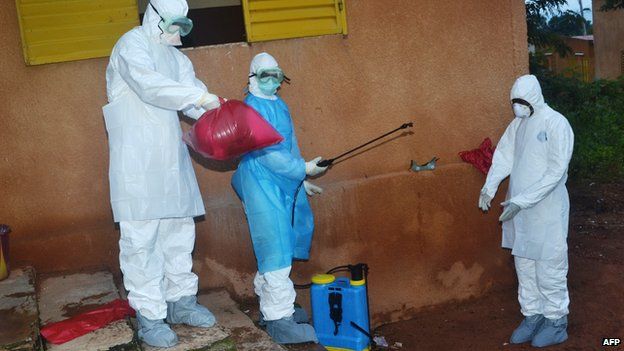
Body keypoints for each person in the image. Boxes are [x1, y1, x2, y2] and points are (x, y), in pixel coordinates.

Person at [102, 0, 221, 347]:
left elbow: (192, 102)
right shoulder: (131, 44)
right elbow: (149, 85)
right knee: (141, 241)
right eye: (170, 24)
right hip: (136, 162)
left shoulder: (178, 58)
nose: (175, 32)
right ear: (154, 15)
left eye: (182, 26)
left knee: (179, 233)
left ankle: (181, 302)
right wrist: (201, 97)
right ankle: (150, 315)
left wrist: (225, 117)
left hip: (172, 159)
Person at [232, 52, 326, 344]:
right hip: (260, 182)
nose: (272, 80)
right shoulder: (250, 109)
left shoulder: (279, 104)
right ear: (252, 78)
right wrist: (302, 168)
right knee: (275, 247)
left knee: (281, 243)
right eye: (265, 75)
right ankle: (278, 320)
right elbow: (266, 152)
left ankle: (274, 305)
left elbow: (289, 145)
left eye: (276, 75)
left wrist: (301, 179)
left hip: (281, 182)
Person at [479, 75, 574, 348]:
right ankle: (532, 316)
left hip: (546, 210)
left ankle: (556, 321)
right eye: (514, 103)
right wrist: (489, 186)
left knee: (549, 266)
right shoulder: (518, 125)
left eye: (521, 102)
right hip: (518, 210)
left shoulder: (557, 124)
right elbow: (504, 156)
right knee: (525, 265)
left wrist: (524, 200)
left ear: (534, 97)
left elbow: (556, 172)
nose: (517, 107)